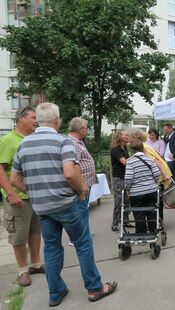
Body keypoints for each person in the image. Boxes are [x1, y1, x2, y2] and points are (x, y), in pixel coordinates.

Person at [10, 102, 116, 306]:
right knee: (83, 244)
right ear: (57, 120)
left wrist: (34, 194)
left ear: (38, 121)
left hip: (43, 208)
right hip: (68, 204)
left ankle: (56, 292)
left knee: (51, 248)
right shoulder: (63, 142)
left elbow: (14, 179)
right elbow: (69, 172)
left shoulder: (24, 144)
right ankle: (94, 288)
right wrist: (82, 189)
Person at [0, 106, 43, 287]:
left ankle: (35, 263)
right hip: (17, 197)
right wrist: (10, 193)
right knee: (18, 235)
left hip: (34, 196)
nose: (36, 121)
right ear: (21, 119)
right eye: (33, 117)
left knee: (34, 231)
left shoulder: (33, 138)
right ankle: (22, 271)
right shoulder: (8, 140)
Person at [125, 141, 160, 234]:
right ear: (143, 149)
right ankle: (153, 231)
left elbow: (128, 179)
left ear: (132, 150)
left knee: (139, 213)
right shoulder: (149, 159)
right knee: (152, 212)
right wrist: (154, 182)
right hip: (151, 191)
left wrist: (127, 189)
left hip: (137, 193)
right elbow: (157, 174)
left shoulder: (130, 161)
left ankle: (141, 233)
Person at [68, 117, 97, 203]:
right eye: (86, 127)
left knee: (83, 210)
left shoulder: (78, 141)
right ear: (80, 129)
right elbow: (73, 166)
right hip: (80, 187)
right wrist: (82, 185)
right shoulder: (73, 143)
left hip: (84, 185)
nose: (87, 130)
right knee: (81, 211)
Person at [110, 129, 130, 232]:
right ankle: (115, 224)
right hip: (118, 178)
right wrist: (137, 157)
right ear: (119, 137)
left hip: (125, 177)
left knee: (127, 200)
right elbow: (125, 162)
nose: (127, 135)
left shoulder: (125, 148)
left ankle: (125, 221)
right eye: (125, 134)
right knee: (118, 201)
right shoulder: (115, 149)